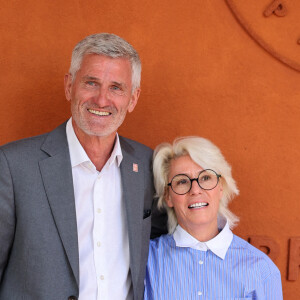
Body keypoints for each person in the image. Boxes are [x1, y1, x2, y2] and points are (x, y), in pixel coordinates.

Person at [0, 33, 166, 300]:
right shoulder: (13, 166)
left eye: (116, 87)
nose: (102, 100)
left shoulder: (148, 166)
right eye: (91, 82)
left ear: (133, 99)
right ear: (69, 86)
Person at [144, 136, 283, 299]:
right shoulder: (146, 261)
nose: (195, 190)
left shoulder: (261, 269)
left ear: (221, 187)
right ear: (168, 196)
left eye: (205, 178)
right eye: (182, 181)